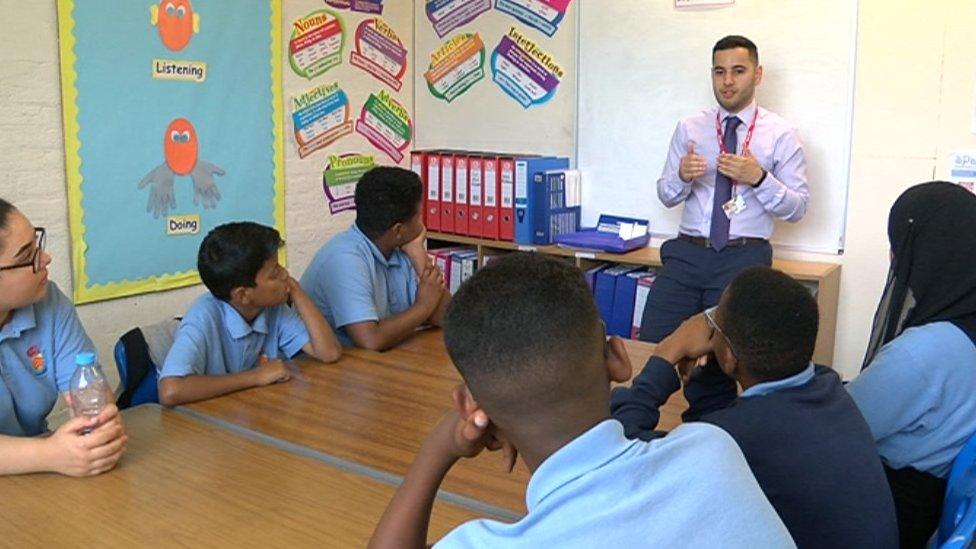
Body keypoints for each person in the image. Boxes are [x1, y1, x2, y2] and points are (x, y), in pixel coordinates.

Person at [369, 253, 795, 548]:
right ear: (616, 358)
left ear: (470, 406)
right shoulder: (712, 450)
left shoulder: (480, 543)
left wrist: (440, 446)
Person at [613, 266, 898, 548]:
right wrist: (712, 367)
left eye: (714, 323)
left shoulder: (732, 438)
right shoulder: (827, 384)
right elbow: (718, 428)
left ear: (731, 355)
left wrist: (665, 356)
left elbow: (622, 451)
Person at [641, 35, 810, 416]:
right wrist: (682, 177)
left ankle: (710, 446)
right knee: (652, 347)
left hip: (741, 258)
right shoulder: (690, 127)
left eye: (738, 71)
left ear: (758, 74)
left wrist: (759, 177)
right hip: (687, 254)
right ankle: (638, 439)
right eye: (720, 72)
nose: (728, 81)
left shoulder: (781, 134)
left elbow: (798, 208)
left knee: (719, 369)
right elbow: (666, 194)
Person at [845, 181, 976, 548]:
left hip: (886, 511)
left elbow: (844, 427)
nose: (893, 256)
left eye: (900, 242)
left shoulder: (924, 352)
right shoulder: (962, 329)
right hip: (930, 506)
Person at [0, 198, 127, 476]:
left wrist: (99, 432)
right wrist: (49, 454)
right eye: (26, 257)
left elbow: (90, 393)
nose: (45, 259)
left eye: (38, 245)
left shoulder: (49, 301)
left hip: (37, 476)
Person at [158, 222, 341, 406]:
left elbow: (329, 353)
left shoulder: (272, 308)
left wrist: (296, 290)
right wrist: (254, 377)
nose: (285, 274)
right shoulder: (203, 317)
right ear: (243, 295)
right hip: (209, 423)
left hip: (250, 413)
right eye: (274, 273)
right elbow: (170, 391)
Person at [301, 166, 450, 351]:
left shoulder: (402, 248)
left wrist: (419, 254)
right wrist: (424, 306)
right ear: (398, 230)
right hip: (326, 372)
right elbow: (370, 340)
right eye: (419, 216)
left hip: (377, 365)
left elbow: (448, 318)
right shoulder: (345, 259)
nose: (423, 224)